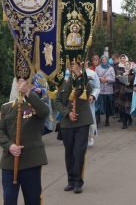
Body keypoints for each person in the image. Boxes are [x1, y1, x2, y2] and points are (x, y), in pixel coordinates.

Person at [0, 77, 50, 205]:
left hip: (31, 161)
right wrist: (9, 146)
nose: (20, 85)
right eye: (18, 82)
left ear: (30, 85)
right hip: (10, 162)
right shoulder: (6, 107)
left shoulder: (37, 105)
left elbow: (45, 112)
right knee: (9, 200)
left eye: (24, 82)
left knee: (33, 200)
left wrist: (28, 93)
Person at [55, 61, 94, 194]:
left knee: (79, 152)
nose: (72, 67)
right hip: (67, 123)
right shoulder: (63, 82)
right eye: (70, 65)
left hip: (82, 121)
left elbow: (88, 91)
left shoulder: (84, 80)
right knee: (69, 153)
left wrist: (79, 75)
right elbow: (58, 101)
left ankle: (78, 181)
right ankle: (70, 180)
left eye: (75, 64)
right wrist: (67, 113)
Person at [95, 55, 116, 126]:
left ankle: (107, 120)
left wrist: (107, 79)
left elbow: (114, 79)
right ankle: (97, 121)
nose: (104, 61)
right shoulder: (97, 68)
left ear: (107, 60)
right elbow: (95, 78)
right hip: (100, 90)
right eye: (103, 60)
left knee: (107, 106)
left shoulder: (111, 68)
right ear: (101, 60)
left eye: (105, 60)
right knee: (98, 106)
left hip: (108, 90)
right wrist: (100, 78)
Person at [85, 62, 100, 146]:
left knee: (90, 119)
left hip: (88, 101)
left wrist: (92, 95)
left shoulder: (92, 73)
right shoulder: (73, 73)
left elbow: (97, 87)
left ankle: (90, 136)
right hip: (77, 100)